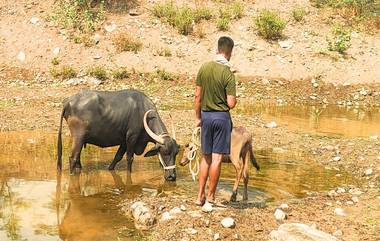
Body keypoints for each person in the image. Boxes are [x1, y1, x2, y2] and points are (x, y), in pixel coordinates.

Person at [194, 36, 237, 206]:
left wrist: (197, 118)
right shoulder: (228, 74)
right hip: (221, 118)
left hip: (206, 116)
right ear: (230, 53)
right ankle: (211, 197)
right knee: (217, 158)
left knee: (205, 158)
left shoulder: (204, 68)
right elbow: (231, 103)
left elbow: (197, 96)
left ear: (217, 49)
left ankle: (199, 196)